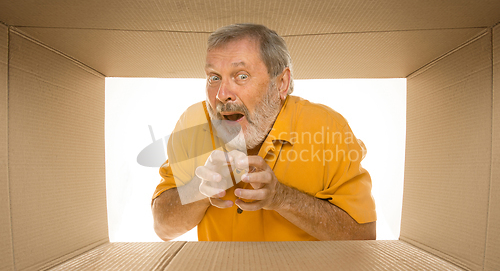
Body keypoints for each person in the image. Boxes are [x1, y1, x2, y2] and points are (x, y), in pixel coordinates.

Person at [151, 23, 376, 241]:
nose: (221, 94)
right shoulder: (194, 122)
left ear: (281, 83)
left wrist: (282, 197)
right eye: (214, 77)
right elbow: (162, 227)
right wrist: (200, 191)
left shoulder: (327, 128)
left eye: (241, 76)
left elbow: (363, 236)